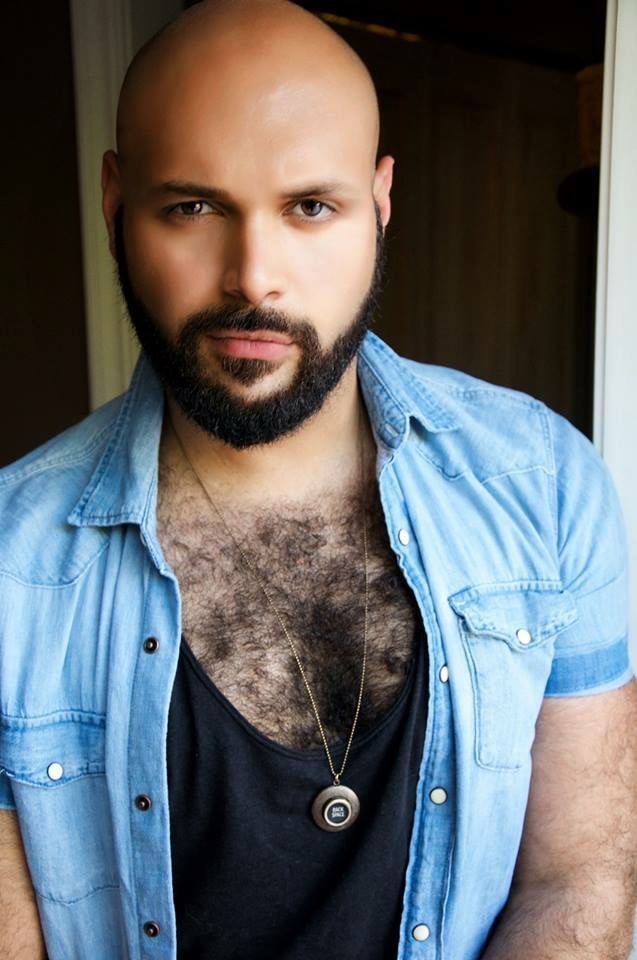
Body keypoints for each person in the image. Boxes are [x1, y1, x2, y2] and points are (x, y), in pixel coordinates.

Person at [1, 1, 636, 957]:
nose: (253, 277)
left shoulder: (541, 482)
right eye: (193, 207)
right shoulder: (12, 566)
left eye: (309, 207)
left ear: (379, 203)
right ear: (115, 205)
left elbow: (578, 882)